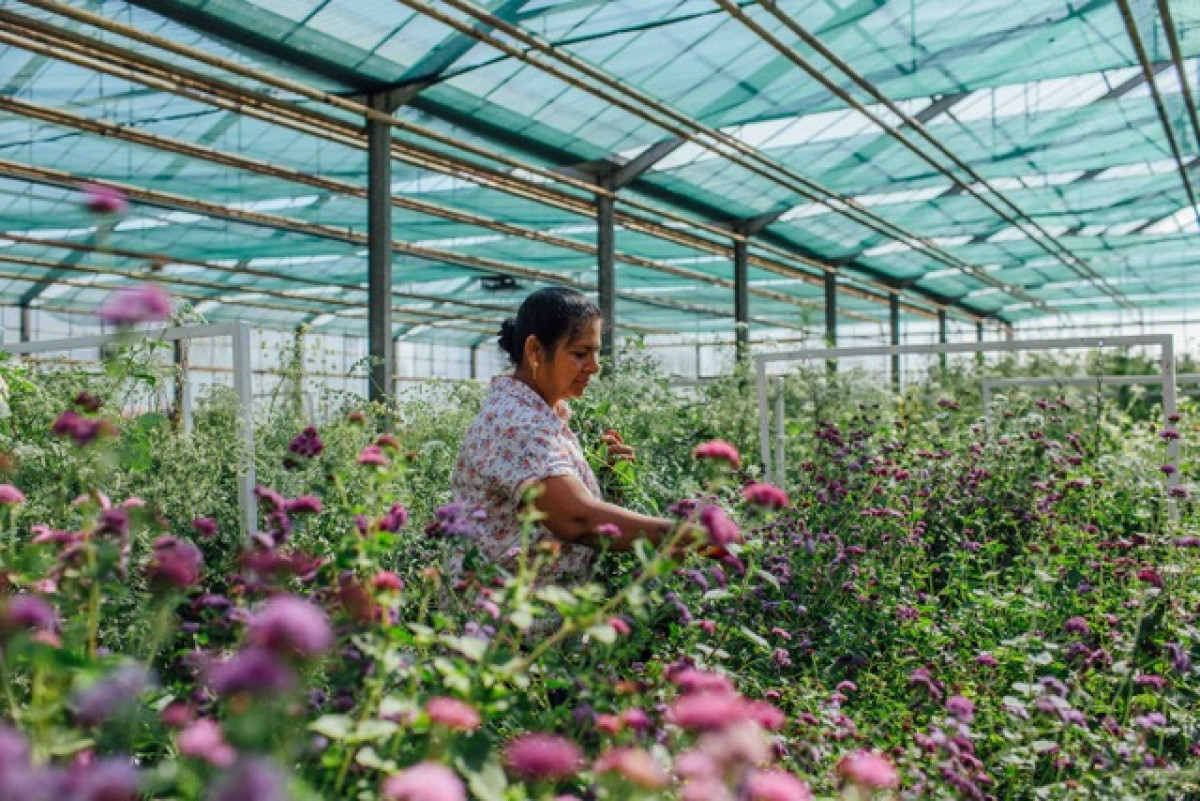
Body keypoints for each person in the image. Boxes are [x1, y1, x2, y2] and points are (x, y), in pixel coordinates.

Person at [451, 287, 692, 586]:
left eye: (596, 352)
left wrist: (606, 482)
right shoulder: (518, 424)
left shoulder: (542, 414)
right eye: (580, 353)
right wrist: (686, 535)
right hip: (509, 623)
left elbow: (548, 509)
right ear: (535, 351)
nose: (594, 366)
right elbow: (577, 520)